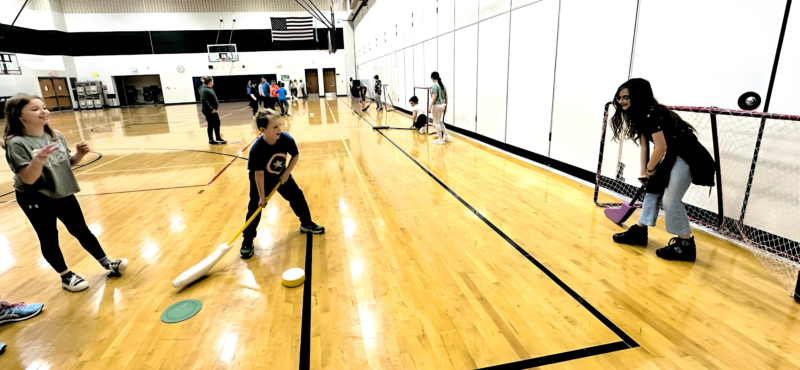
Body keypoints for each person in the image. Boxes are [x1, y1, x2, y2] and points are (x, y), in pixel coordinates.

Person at [2, 94, 128, 292]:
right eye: (35, 109)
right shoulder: (16, 143)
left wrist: (79, 155)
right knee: (49, 236)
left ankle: (106, 262)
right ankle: (65, 275)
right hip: (34, 197)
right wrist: (39, 160)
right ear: (19, 115)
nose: (43, 111)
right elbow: (28, 178)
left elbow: (64, 165)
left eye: (43, 107)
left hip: (62, 191)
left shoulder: (55, 135)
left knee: (81, 229)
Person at [610, 78, 715, 261]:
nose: (621, 101)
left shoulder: (653, 112)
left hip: (690, 156)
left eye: (626, 97)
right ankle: (639, 232)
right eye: (619, 98)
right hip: (673, 155)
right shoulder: (639, 114)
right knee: (652, 191)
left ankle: (686, 246)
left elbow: (661, 146)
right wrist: (644, 173)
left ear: (639, 96)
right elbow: (645, 146)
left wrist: (651, 169)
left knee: (671, 200)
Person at [240, 108, 325, 259]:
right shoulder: (256, 150)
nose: (280, 129)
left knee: (297, 196)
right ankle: (248, 238)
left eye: (279, 125)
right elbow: (258, 174)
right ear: (262, 130)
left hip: (281, 176)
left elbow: (295, 155)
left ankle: (306, 223)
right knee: (255, 207)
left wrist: (286, 173)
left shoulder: (285, 139)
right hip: (261, 181)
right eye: (275, 127)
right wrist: (261, 196)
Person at [198, 76, 227, 145]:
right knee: (211, 124)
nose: (213, 82)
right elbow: (203, 100)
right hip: (209, 110)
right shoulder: (204, 89)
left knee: (217, 123)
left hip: (212, 110)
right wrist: (211, 109)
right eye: (212, 81)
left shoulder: (208, 88)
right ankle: (211, 140)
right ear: (210, 82)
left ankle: (218, 138)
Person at [429, 72, 450, 144]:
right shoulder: (443, 85)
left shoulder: (435, 85)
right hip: (442, 105)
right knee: (439, 121)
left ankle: (440, 139)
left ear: (432, 78)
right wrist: (446, 106)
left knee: (436, 122)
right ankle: (446, 134)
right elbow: (446, 97)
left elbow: (434, 97)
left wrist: (430, 106)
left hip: (437, 106)